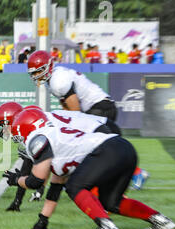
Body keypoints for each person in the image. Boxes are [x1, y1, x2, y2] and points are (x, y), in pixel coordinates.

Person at [4, 109, 175, 229]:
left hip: (107, 150)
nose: (20, 140)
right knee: (111, 202)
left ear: (27, 129)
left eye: (19, 136)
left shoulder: (38, 137)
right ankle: (160, 220)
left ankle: (107, 227)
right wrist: (43, 220)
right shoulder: (58, 140)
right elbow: (55, 186)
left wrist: (15, 180)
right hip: (124, 148)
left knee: (75, 186)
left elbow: (36, 181)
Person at [27, 50, 149, 190]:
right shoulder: (54, 79)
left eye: (39, 71)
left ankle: (132, 174)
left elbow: (75, 112)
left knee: (95, 149)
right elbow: (67, 108)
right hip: (99, 108)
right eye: (34, 72)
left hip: (100, 108)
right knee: (97, 149)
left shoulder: (58, 81)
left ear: (48, 66)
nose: (36, 75)